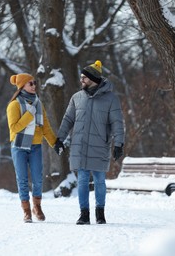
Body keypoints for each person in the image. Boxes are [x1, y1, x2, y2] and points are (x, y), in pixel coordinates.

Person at [55, 60, 124, 225]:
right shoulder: (77, 97)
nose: (81, 81)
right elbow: (68, 119)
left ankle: (100, 213)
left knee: (99, 179)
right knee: (83, 180)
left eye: (84, 78)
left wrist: (119, 144)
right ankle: (84, 214)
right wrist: (59, 139)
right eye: (80, 78)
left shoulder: (110, 99)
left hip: (100, 144)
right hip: (79, 145)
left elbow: (117, 123)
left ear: (93, 78)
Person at [6, 73, 58, 223]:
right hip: (19, 146)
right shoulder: (14, 105)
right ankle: (26, 210)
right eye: (30, 84)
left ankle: (37, 207)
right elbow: (14, 128)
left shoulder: (38, 104)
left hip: (35, 146)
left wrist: (55, 143)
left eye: (34, 83)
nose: (34, 86)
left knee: (37, 179)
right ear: (22, 86)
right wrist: (29, 115)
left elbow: (45, 127)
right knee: (22, 179)